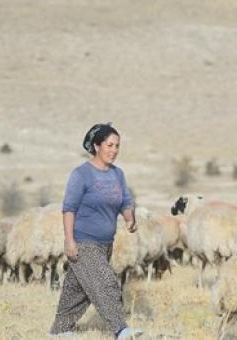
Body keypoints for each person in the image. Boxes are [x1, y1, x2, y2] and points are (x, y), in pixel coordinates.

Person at [49, 122, 142, 339]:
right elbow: (69, 209)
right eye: (109, 145)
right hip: (83, 241)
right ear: (97, 146)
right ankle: (121, 330)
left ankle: (60, 330)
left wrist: (129, 219)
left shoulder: (118, 175)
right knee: (105, 281)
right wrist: (69, 240)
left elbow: (125, 202)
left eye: (117, 146)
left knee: (77, 291)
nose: (114, 150)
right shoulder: (81, 174)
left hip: (105, 243)